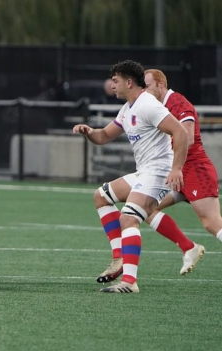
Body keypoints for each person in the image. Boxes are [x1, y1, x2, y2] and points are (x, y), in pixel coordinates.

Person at [72, 60, 189, 293]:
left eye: (115, 81)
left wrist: (176, 169)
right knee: (101, 197)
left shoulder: (147, 105)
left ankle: (129, 282)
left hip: (158, 171)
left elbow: (180, 132)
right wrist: (89, 132)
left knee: (128, 218)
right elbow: (104, 135)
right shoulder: (128, 108)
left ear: (128, 82)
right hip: (145, 171)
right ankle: (119, 259)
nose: (112, 86)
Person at [143, 69, 220, 268]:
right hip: (178, 174)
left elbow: (188, 137)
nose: (144, 91)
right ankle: (188, 247)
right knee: (146, 209)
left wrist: (175, 166)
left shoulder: (177, 102)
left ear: (160, 84)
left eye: (148, 86)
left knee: (212, 223)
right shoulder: (158, 107)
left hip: (194, 170)